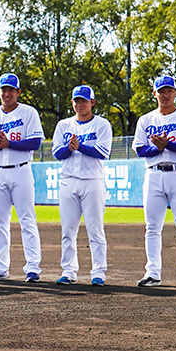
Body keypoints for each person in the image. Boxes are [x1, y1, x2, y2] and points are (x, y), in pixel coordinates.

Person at [133, 76, 176, 288]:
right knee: (152, 227)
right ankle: (152, 273)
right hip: (153, 174)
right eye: (161, 91)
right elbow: (140, 150)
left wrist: (166, 144)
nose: (165, 95)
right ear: (155, 94)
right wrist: (158, 148)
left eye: (169, 90)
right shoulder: (146, 120)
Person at [0, 73, 44, 282]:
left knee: (27, 219)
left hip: (21, 169)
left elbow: (35, 143)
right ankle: (0, 267)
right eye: (3, 89)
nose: (7, 93)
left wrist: (9, 144)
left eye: (11, 90)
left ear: (18, 92)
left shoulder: (28, 112)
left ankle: (32, 268)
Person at [52, 85, 111, 286]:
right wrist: (69, 149)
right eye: (77, 101)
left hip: (92, 181)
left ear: (92, 102)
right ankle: (68, 271)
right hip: (68, 180)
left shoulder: (102, 124)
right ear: (72, 103)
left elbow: (103, 152)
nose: (80, 104)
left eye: (84, 101)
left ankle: (99, 272)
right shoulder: (63, 125)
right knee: (68, 230)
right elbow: (57, 153)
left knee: (95, 228)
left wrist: (80, 147)